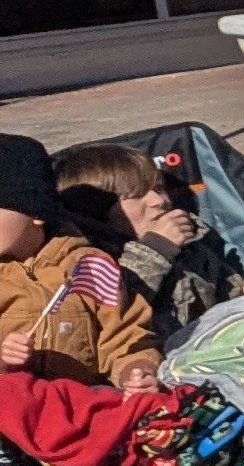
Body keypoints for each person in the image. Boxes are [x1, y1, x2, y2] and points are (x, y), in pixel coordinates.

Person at [0, 134, 159, 389]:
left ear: (35, 212)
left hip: (81, 405)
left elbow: (125, 338)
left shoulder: (87, 264)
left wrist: (136, 371)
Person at [49, 142, 241, 345]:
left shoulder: (193, 242)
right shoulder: (87, 262)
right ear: (96, 210)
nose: (158, 201)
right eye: (134, 196)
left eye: (159, 188)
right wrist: (155, 250)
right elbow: (109, 314)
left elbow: (225, 291)